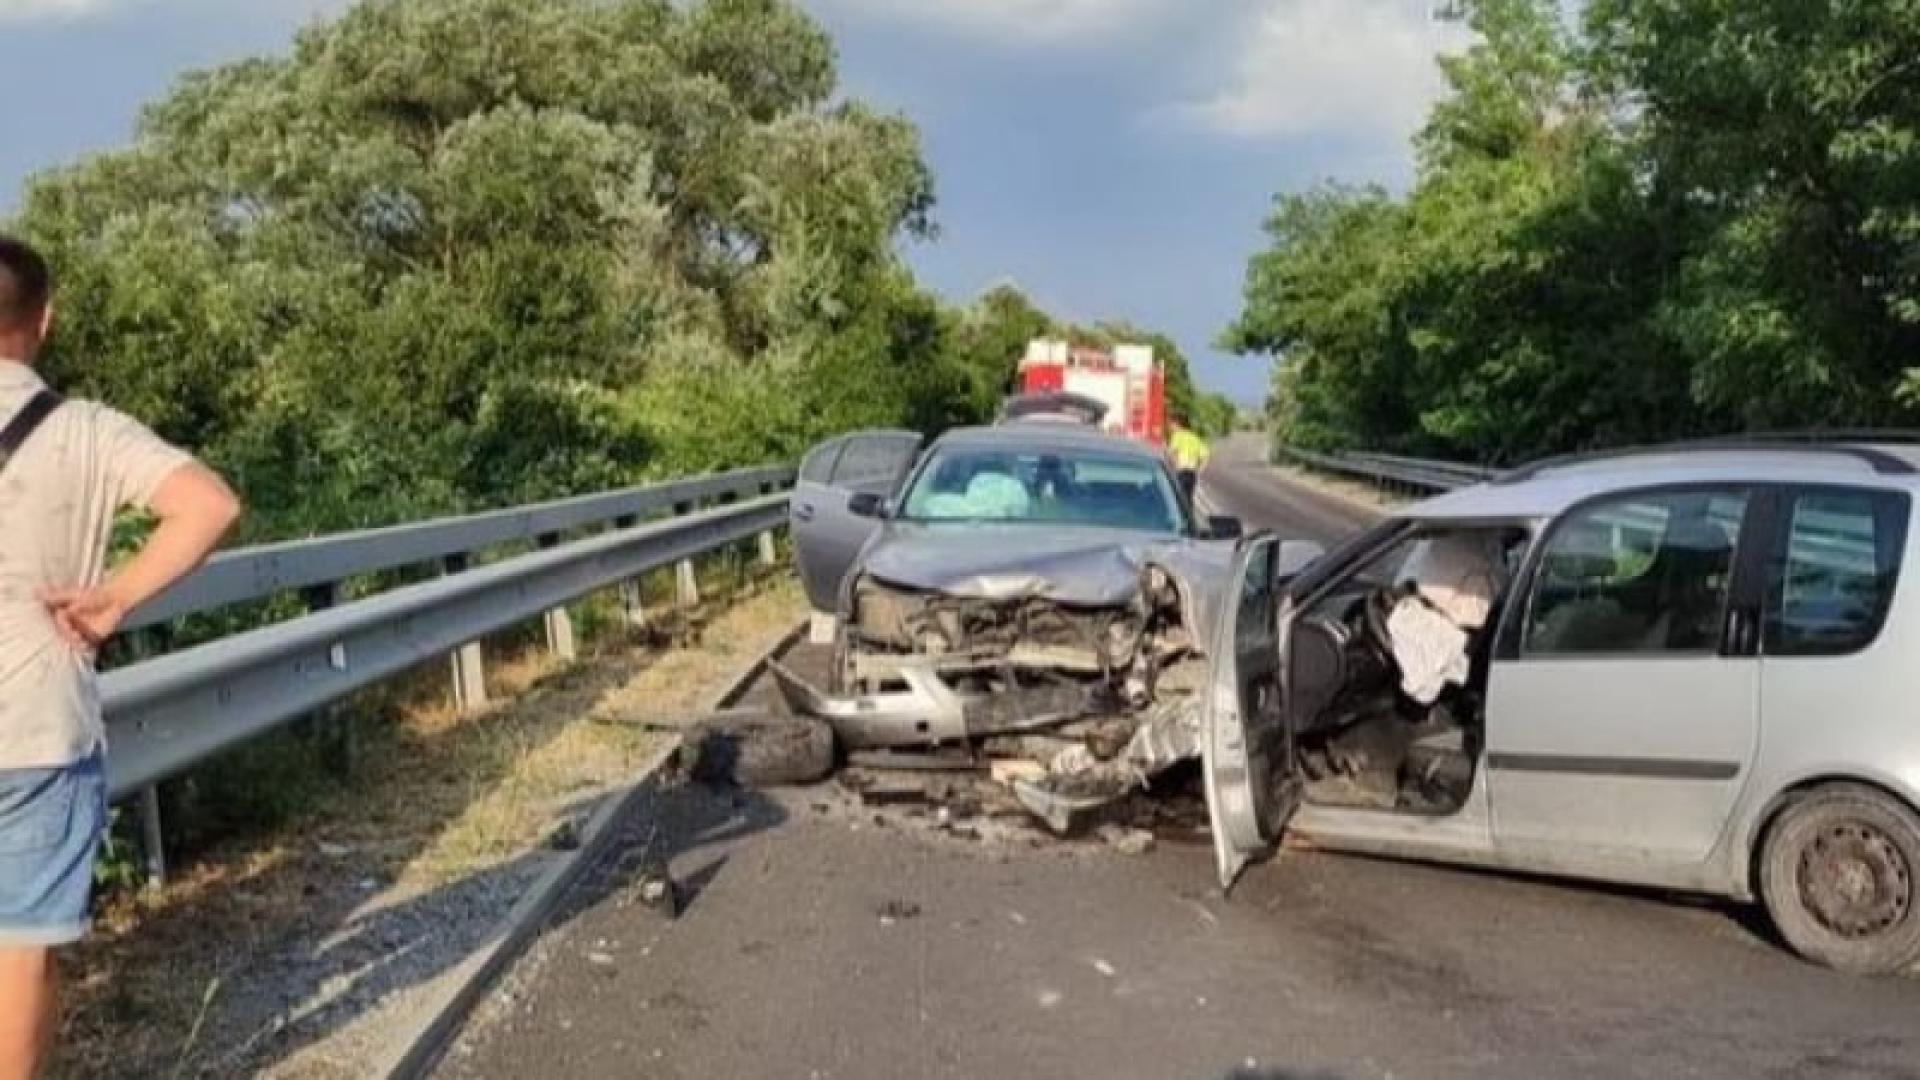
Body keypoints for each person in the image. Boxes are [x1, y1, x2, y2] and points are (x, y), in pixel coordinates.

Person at [0, 235, 240, 1080]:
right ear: (46, 319)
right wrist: (112, 597)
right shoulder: (88, 431)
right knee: (22, 947)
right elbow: (209, 506)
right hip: (35, 729)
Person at [1168, 419, 1211, 501]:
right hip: (1192, 473)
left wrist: (1174, 465)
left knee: (1176, 498)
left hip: (1180, 472)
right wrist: (1198, 471)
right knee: (1188, 499)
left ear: (1178, 425)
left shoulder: (1177, 435)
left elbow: (1171, 453)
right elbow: (1206, 456)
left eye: (1172, 425)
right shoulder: (1194, 438)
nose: (1171, 427)